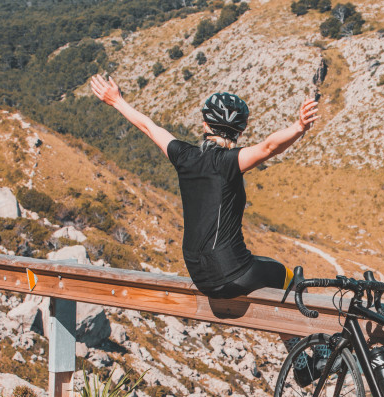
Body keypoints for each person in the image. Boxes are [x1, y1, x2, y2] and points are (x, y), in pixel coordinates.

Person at [90, 74, 318, 298]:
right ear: (241, 130)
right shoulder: (229, 162)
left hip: (198, 274)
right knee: (288, 276)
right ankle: (296, 335)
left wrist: (116, 100)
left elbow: (149, 127)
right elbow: (269, 147)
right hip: (231, 272)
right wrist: (299, 127)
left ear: (204, 123)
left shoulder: (183, 155)